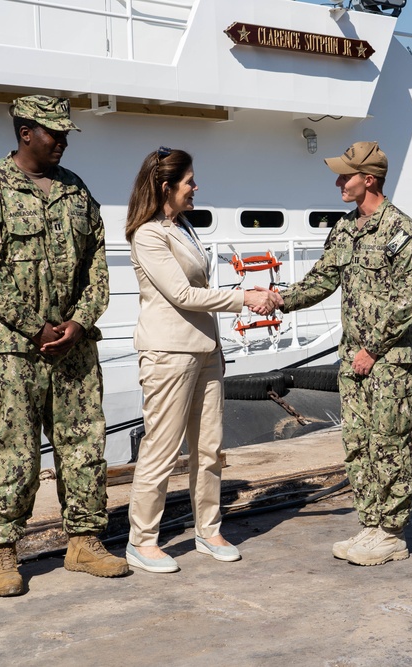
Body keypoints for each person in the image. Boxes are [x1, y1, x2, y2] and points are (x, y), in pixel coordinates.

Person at [0, 95, 128, 597]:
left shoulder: (76, 191)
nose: (63, 141)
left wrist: (79, 321)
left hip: (73, 347)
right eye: (54, 133)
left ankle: (84, 540)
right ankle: (4, 550)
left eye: (66, 133)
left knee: (83, 445)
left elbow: (97, 264)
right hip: (9, 351)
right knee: (14, 451)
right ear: (26, 132)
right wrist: (34, 327)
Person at [124, 147, 278, 573]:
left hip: (206, 350)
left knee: (209, 448)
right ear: (165, 186)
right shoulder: (149, 234)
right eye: (189, 181)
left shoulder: (183, 226)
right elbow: (182, 295)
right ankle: (142, 541)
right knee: (161, 448)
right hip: (169, 353)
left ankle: (208, 530)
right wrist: (245, 297)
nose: (196, 187)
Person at [273, 141, 412, 566]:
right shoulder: (345, 229)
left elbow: (408, 300)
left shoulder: (401, 231)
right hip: (353, 361)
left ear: (369, 180)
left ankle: (392, 533)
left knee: (389, 442)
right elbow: (321, 280)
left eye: (346, 176)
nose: (339, 182)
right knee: (358, 443)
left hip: (388, 362)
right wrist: (279, 301)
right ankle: (372, 523)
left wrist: (373, 349)